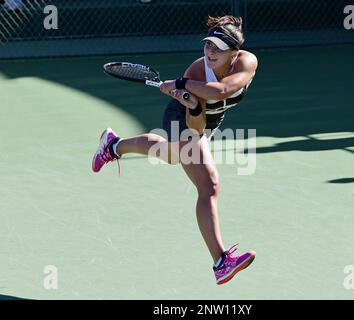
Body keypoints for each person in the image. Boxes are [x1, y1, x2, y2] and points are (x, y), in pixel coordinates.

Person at [92, 15, 258, 285]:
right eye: (208, 45)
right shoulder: (196, 71)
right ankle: (220, 262)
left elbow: (223, 90)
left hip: (212, 120)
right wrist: (190, 102)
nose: (210, 51)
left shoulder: (247, 62)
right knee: (209, 186)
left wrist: (181, 86)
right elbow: (195, 127)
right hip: (184, 118)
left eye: (218, 47)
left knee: (169, 155)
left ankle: (113, 144)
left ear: (234, 53)